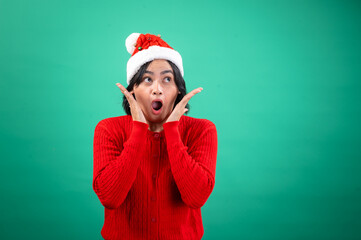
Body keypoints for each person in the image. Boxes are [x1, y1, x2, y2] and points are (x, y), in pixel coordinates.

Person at [93, 33, 218, 240]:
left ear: (179, 90)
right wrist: (139, 129)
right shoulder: (108, 129)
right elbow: (110, 198)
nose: (157, 89)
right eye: (147, 79)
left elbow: (196, 197)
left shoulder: (202, 130)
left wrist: (172, 130)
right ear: (133, 89)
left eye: (167, 79)